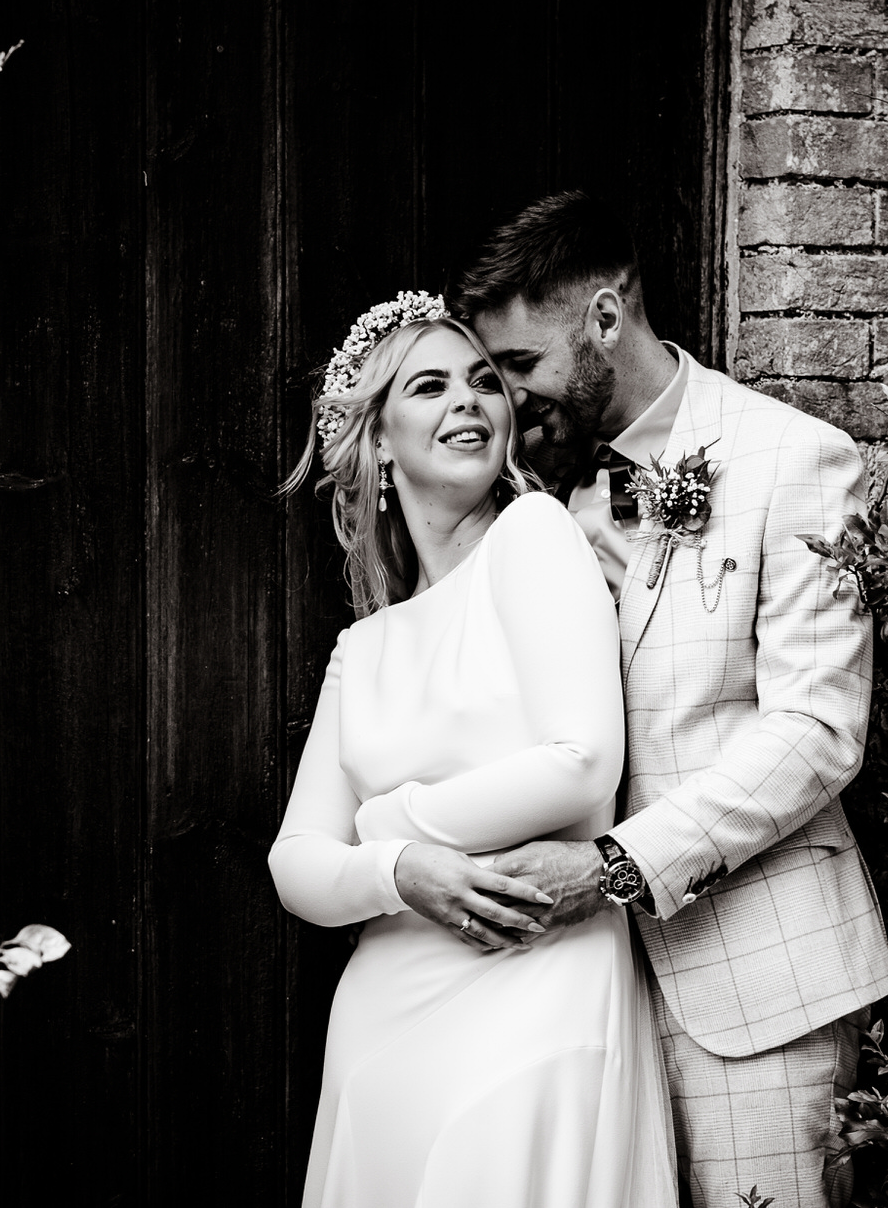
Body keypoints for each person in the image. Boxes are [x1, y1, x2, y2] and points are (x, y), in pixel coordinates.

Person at [455, 192, 888, 1208]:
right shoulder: (539, 496)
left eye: (521, 365)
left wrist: (614, 864)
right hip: (582, 994)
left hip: (756, 983)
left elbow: (818, 731)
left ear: (604, 317)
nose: (510, 398)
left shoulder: (797, 459)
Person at [270, 291, 677, 1208]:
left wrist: (389, 822)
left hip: (534, 988)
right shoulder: (363, 645)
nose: (469, 401)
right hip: (386, 1018)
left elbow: (582, 761)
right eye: (429, 385)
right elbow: (296, 861)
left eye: (485, 381)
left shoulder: (532, 538)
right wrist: (400, 870)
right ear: (378, 438)